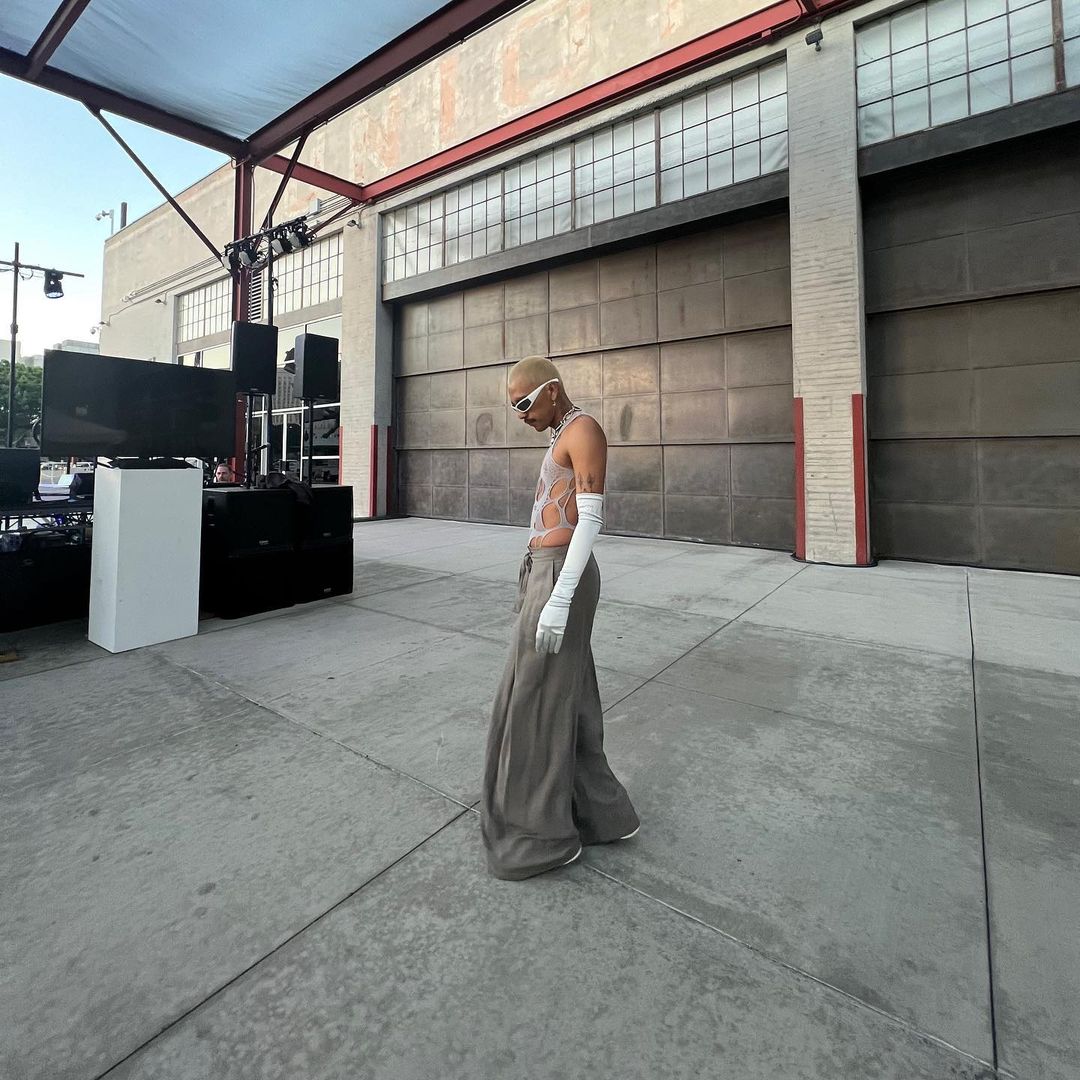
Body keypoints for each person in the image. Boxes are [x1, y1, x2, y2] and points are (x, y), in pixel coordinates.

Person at [481, 354, 639, 880]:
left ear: (552, 390)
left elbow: (590, 519)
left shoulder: (583, 429)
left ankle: (541, 837)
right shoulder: (560, 435)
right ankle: (602, 814)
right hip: (545, 572)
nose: (521, 415)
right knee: (568, 694)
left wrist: (560, 596)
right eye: (514, 408)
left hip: (560, 575)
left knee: (535, 701)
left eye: (525, 403)